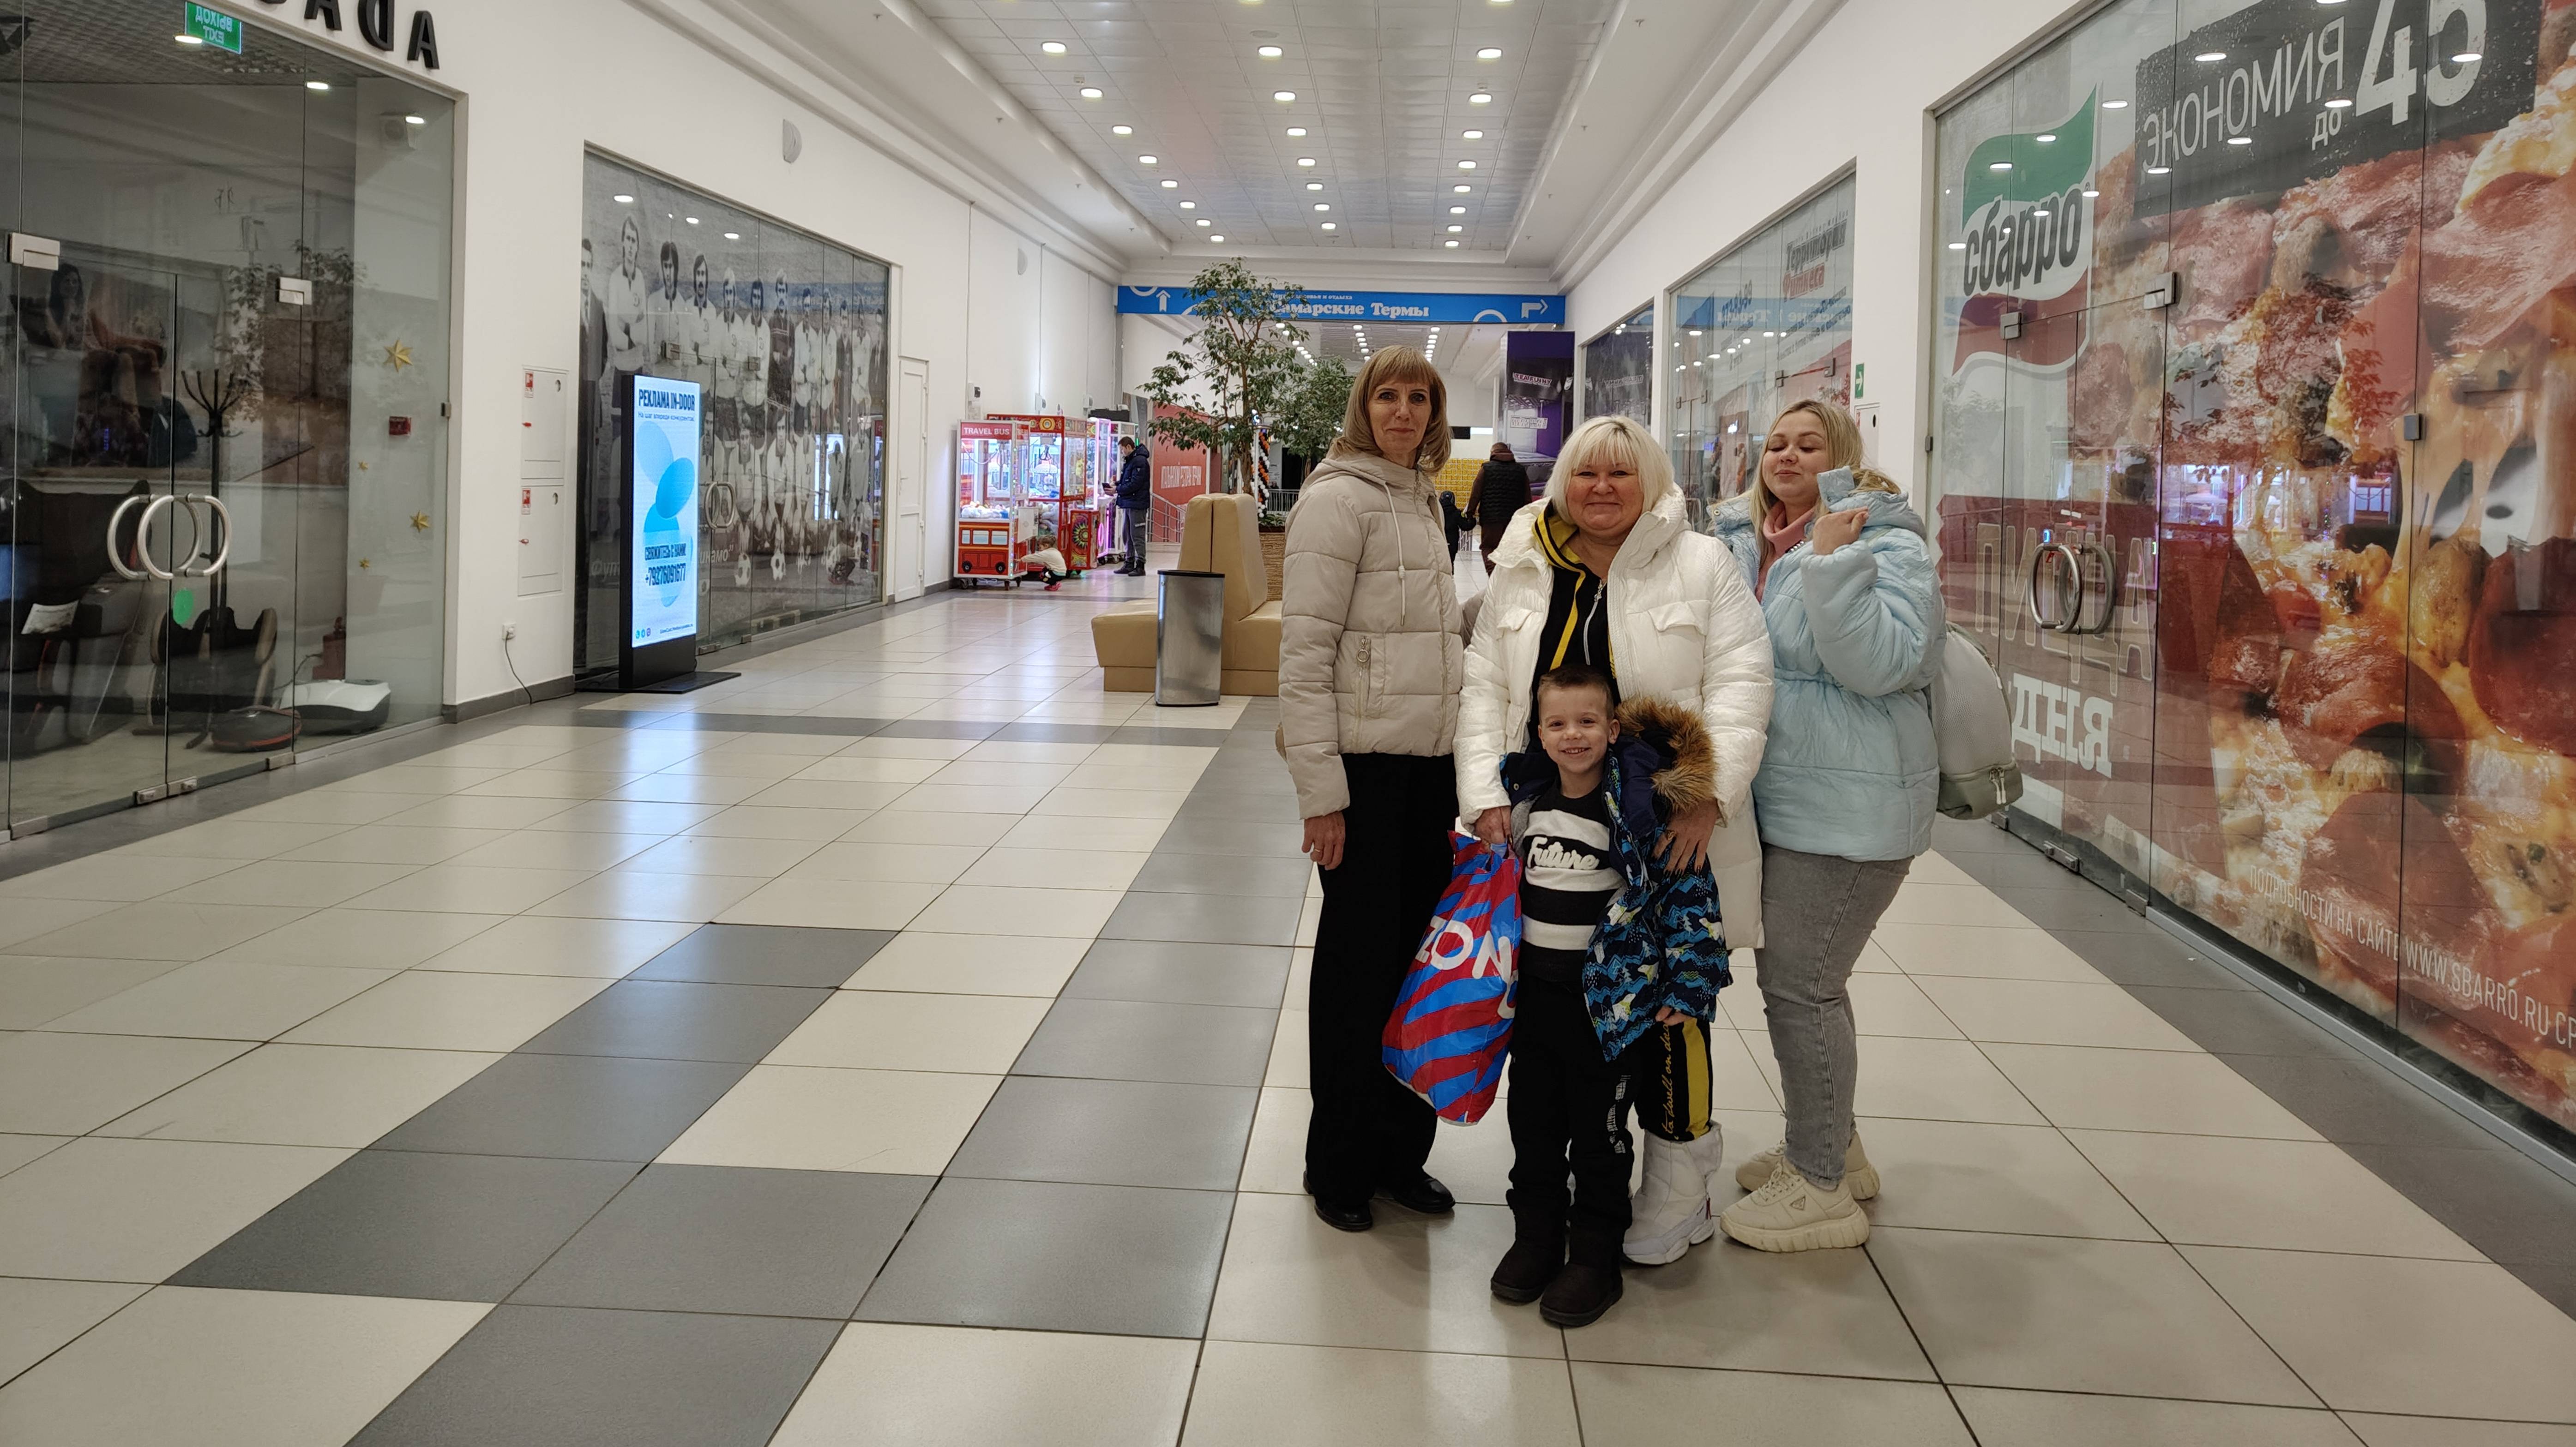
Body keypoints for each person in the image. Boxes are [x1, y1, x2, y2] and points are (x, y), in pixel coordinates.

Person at [1457, 411, 1773, 1267]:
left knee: (1670, 1011)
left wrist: (1707, 798)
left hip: (1664, 840)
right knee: (1556, 1018)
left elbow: (1742, 682)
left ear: (1652, 481)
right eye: (1586, 473)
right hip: (1549, 833)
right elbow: (1485, 690)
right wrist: (1484, 797)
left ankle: (1677, 1185)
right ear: (1562, 482)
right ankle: (1560, 1190)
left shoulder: (1702, 563)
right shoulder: (1523, 565)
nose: (1602, 488)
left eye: (1621, 473)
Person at [1708, 398, 1941, 1253]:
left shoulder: (1886, 541)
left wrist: (1835, 563)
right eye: (1776, 443)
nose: (1788, 455)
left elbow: (1884, 664)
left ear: (1841, 454)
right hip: (1783, 801)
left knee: (1802, 986)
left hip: (1851, 806)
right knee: (1800, 982)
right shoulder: (1746, 542)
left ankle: (1819, 1186)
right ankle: (1835, 1145)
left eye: (1810, 444)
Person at [1280, 344, 1466, 1233]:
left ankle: (1400, 1153)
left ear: (1435, 412)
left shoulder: (1425, 496)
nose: (1402, 411)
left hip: (1429, 771)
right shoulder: (1338, 498)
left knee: (1413, 970)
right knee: (1357, 975)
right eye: (1387, 395)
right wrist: (1322, 794)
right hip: (1363, 773)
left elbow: (1423, 634)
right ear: (1364, 405)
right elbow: (1304, 656)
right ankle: (1339, 1164)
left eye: (1418, 397)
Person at [1488, 665, 1731, 1328]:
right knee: (1533, 1126)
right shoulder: (1528, 805)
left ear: (1614, 729)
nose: (1573, 735)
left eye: (1587, 721)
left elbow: (1687, 893)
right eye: (1558, 723)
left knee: (1600, 1137)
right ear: (1540, 733)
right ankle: (1537, 1235)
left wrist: (1691, 981)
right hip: (1535, 1007)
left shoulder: (1638, 810)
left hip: (1609, 1015)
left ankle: (1595, 1253)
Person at [1471, 442, 1532, 571]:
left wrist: (1470, 513)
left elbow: (1476, 493)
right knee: (1511, 550)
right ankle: (1505, 577)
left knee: (1489, 548)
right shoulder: (1520, 470)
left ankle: (1492, 574)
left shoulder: (1487, 468)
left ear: (1493, 452)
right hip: (1514, 520)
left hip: (1491, 519)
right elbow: (1528, 497)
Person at [1115, 435, 1152, 576]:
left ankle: (1140, 565)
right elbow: (1128, 481)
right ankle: (1129, 562)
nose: (1122, 452)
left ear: (1129, 447)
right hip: (1129, 502)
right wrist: (1117, 485)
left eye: (1122, 449)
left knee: (1137, 535)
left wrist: (1118, 489)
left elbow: (1135, 484)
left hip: (1137, 504)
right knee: (1127, 534)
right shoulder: (1131, 461)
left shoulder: (1140, 461)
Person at [1439, 488, 1467, 558]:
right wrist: (1473, 520)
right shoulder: (1457, 513)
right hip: (1452, 543)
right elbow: (1465, 526)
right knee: (1451, 561)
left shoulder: (1437, 513)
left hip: (1439, 542)